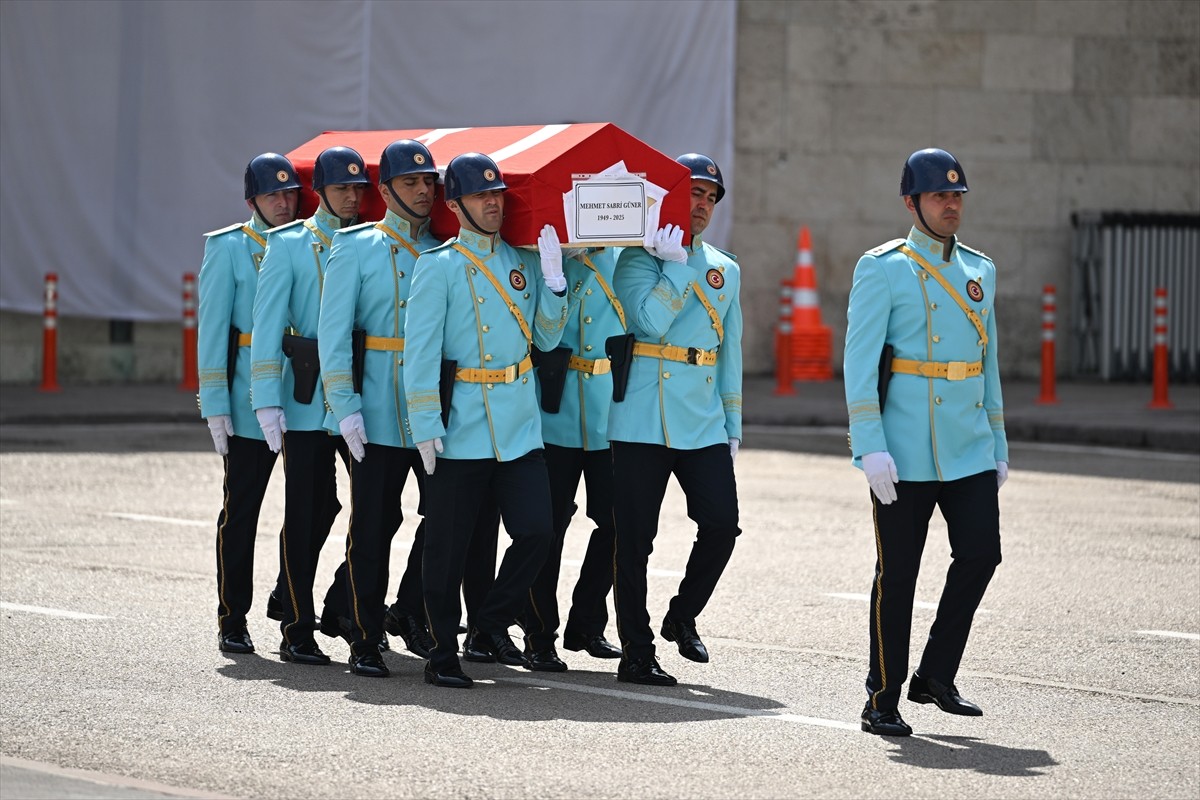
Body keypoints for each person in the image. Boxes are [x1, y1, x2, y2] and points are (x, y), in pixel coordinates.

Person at [844, 147, 1007, 737]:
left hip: (967, 447)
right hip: (904, 450)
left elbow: (987, 365)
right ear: (912, 202)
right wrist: (869, 445)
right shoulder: (883, 267)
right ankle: (881, 696)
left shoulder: (980, 270)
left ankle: (935, 674)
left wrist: (998, 442)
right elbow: (858, 363)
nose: (951, 205)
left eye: (957, 195)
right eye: (940, 196)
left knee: (982, 554)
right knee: (899, 576)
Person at [403, 152, 568, 688]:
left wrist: (555, 287)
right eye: (480, 196)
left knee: (538, 532)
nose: (493, 203)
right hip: (461, 426)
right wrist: (425, 424)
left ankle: (488, 623)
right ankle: (442, 652)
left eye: (496, 194)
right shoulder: (440, 265)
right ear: (454, 205)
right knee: (447, 547)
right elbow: (421, 353)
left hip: (518, 425)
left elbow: (544, 340)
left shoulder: (519, 262)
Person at [608, 153, 743, 687]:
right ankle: (636, 652)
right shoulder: (636, 260)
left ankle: (682, 614)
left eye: (710, 197)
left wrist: (733, 424)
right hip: (641, 417)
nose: (703, 205)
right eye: (694, 193)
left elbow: (729, 350)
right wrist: (677, 264)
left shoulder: (725, 267)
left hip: (701, 418)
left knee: (722, 524)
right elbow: (649, 324)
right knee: (635, 540)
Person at [316, 140, 442, 677]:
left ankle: (409, 609)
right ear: (386, 190)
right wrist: (344, 406)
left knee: (445, 517)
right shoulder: (356, 246)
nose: (422, 190)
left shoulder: (442, 249)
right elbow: (333, 333)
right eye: (411, 183)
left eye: (429, 182)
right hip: (373, 410)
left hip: (430, 409)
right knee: (372, 525)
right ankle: (364, 637)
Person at [250, 145, 368, 669]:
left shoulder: (369, 243)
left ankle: (342, 604)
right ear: (319, 192)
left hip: (358, 398)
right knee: (308, 512)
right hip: (302, 401)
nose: (350, 196)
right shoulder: (290, 245)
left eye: (357, 188)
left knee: (374, 512)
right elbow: (267, 325)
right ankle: (296, 626)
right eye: (341, 188)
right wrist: (265, 401)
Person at [198, 152, 301, 654]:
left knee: (319, 505)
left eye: (289, 194)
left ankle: (289, 599)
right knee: (242, 510)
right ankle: (231, 616)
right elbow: (214, 330)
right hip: (245, 399)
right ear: (252, 200)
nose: (284, 203)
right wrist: (215, 401)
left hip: (303, 393)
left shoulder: (307, 243)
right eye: (272, 196)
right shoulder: (230, 248)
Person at [517, 246, 625, 670]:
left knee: (617, 523)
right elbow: (542, 332)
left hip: (608, 415)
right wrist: (567, 265)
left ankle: (587, 623)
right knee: (547, 528)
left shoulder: (625, 259)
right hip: (553, 412)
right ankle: (539, 634)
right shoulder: (546, 259)